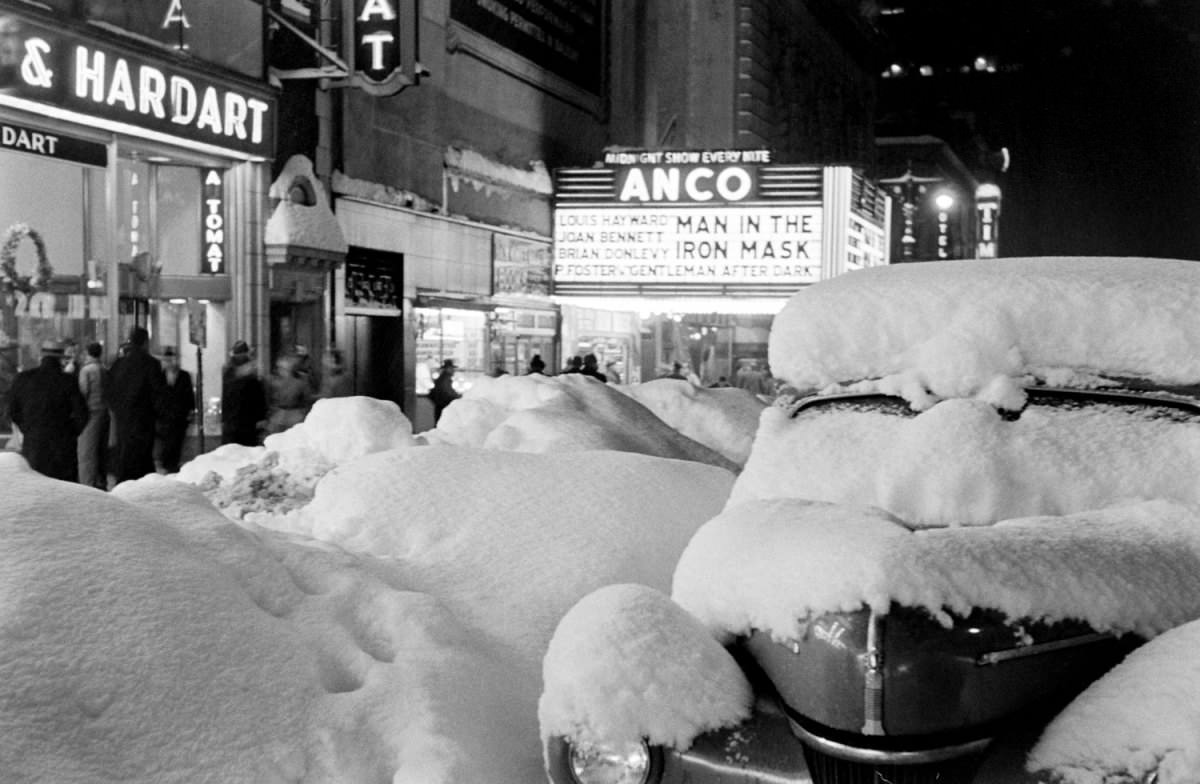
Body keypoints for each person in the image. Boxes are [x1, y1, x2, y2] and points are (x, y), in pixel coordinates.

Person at [8, 339, 87, 482]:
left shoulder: (23, 379)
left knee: (36, 485)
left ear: (41, 355)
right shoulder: (68, 381)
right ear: (61, 358)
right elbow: (83, 414)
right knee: (62, 488)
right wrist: (71, 433)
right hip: (63, 446)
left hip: (34, 444)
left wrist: (27, 428)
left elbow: (13, 411)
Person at [106, 326, 166, 483]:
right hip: (144, 419)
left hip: (123, 419)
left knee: (125, 452)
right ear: (146, 342)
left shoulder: (118, 364)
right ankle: (141, 486)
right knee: (142, 455)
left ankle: (124, 483)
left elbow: (109, 390)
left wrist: (117, 409)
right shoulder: (151, 364)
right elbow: (158, 393)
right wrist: (161, 416)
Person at [155, 347, 195, 474]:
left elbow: (189, 395)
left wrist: (191, 411)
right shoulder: (159, 376)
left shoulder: (184, 376)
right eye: (167, 360)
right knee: (166, 442)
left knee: (178, 441)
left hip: (180, 416)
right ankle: (167, 464)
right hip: (165, 416)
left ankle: (173, 464)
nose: (170, 362)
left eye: (171, 359)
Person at [221, 340, 268, 446]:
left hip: (243, 421)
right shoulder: (246, 372)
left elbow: (258, 396)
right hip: (240, 421)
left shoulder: (231, 371)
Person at [76, 341, 109, 488]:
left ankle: (87, 484)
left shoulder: (86, 370)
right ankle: (101, 481)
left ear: (87, 352)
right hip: (105, 412)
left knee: (86, 451)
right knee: (101, 450)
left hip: (91, 413)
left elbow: (83, 392)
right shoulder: (104, 369)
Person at [266, 352, 311, 435]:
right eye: (280, 367)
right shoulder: (274, 381)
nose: (281, 369)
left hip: (294, 415)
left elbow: (306, 398)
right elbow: (270, 399)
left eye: (284, 367)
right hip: (280, 415)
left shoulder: (300, 382)